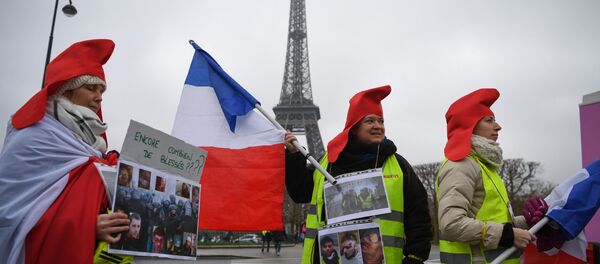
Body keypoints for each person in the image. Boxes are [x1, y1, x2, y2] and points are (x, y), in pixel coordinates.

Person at [0, 39, 131, 263]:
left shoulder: (93, 144)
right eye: (90, 88)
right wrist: (87, 226)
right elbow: (11, 217)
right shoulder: (33, 138)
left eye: (101, 90)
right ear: (66, 91)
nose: (99, 97)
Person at [286, 85, 432, 264]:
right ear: (354, 128)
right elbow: (300, 192)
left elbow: (419, 214)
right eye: (370, 121)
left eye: (381, 121)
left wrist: (415, 257)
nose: (378, 126)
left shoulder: (399, 165)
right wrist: (294, 156)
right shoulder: (327, 162)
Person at [436, 88, 540, 263]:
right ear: (470, 126)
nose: (498, 126)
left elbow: (493, 221)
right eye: (489, 120)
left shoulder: (482, 165)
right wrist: (507, 235)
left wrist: (527, 221)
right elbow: (451, 224)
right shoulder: (461, 165)